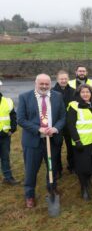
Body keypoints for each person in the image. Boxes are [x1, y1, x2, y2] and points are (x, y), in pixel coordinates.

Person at [17, 74, 66, 208]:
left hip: (52, 140)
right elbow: (20, 119)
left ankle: (51, 188)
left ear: (50, 84)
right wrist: (39, 129)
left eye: (47, 84)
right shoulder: (25, 97)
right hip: (33, 141)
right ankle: (29, 195)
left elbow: (63, 117)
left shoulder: (57, 96)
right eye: (41, 84)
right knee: (31, 169)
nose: (44, 86)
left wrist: (55, 128)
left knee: (52, 167)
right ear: (35, 83)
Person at [67, 84, 92, 200]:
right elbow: (71, 125)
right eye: (83, 92)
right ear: (79, 94)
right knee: (83, 167)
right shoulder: (74, 106)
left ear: (91, 94)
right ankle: (84, 187)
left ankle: (88, 181)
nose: (85, 94)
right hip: (81, 142)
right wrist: (77, 140)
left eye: (88, 92)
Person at [51, 70, 76, 176]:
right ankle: (58, 169)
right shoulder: (51, 92)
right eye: (61, 79)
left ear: (68, 79)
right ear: (57, 79)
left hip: (70, 124)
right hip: (57, 125)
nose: (64, 80)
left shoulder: (74, 91)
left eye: (65, 78)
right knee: (56, 147)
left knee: (71, 148)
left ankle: (72, 166)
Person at [0, 80, 19, 185]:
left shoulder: (7, 101)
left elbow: (13, 115)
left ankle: (8, 177)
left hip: (5, 135)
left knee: (5, 157)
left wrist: (12, 129)